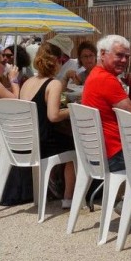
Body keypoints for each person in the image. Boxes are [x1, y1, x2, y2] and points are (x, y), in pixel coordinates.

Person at [19, 42, 77, 208]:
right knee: (74, 148)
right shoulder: (53, 84)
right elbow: (53, 116)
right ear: (57, 62)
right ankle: (68, 198)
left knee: (65, 140)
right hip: (44, 142)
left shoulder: (28, 82)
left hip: (28, 139)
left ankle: (53, 184)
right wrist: (72, 110)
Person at [81, 34, 131, 172]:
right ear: (102, 54)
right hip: (116, 154)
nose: (124, 60)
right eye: (119, 55)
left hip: (99, 152)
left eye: (127, 56)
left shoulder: (96, 74)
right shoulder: (106, 79)